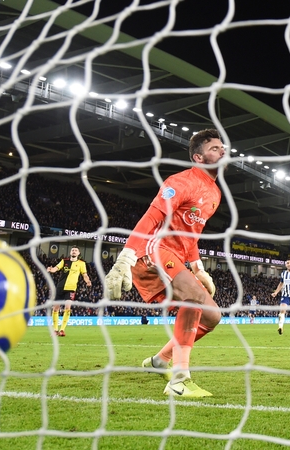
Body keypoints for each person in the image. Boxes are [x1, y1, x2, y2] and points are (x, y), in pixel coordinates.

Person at [105, 128, 223, 398]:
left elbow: (190, 235)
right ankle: (179, 380)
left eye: (222, 147)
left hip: (176, 257)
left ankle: (160, 361)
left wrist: (199, 268)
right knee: (192, 298)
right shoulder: (181, 182)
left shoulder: (214, 193)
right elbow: (152, 217)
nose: (222, 152)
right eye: (215, 148)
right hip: (153, 250)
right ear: (198, 157)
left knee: (213, 316)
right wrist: (126, 256)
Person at [47, 246, 91, 337]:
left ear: (78, 253)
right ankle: (55, 330)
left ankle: (62, 329)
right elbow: (56, 268)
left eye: (76, 250)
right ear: (70, 252)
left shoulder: (81, 263)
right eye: (72, 250)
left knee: (67, 307)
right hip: (60, 287)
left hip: (71, 288)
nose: (74, 251)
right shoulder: (64, 261)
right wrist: (51, 270)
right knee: (55, 308)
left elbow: (84, 274)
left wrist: (88, 281)